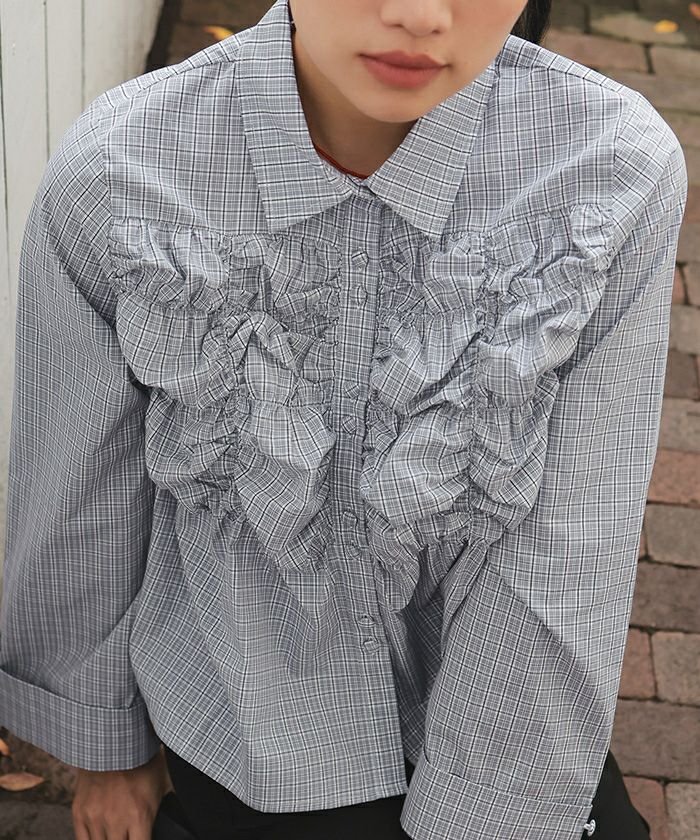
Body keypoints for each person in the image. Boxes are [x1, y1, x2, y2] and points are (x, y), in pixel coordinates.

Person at [0, 0, 686, 837]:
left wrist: (488, 812)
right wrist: (106, 750)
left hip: (501, 710)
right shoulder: (117, 171)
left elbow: (572, 539)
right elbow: (81, 490)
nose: (419, 14)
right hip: (235, 724)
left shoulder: (611, 171)